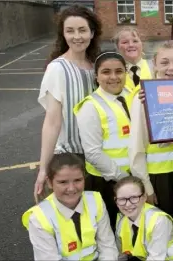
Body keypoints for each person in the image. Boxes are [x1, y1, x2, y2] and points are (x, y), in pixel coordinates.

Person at [33, 4, 102, 204]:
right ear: (63, 35)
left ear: (92, 33)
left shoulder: (97, 66)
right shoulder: (58, 69)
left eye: (82, 30)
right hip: (72, 156)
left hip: (97, 152)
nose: (76, 36)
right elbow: (52, 122)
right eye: (70, 31)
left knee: (96, 211)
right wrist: (44, 168)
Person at [73, 51, 132, 231]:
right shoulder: (90, 107)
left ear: (126, 72)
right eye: (106, 72)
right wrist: (124, 178)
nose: (113, 77)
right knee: (111, 230)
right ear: (96, 76)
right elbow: (92, 153)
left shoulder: (132, 95)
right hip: (108, 182)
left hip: (133, 177)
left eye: (119, 71)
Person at [128, 41, 173, 222]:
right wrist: (147, 187)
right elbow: (136, 147)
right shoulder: (144, 97)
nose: (171, 68)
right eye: (164, 62)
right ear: (154, 63)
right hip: (160, 179)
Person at [22, 153, 118, 260]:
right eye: (63, 182)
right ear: (49, 182)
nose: (71, 188)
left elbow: (107, 247)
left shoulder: (95, 200)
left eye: (78, 180)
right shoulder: (39, 217)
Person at [114, 176, 173, 260]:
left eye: (134, 198)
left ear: (144, 197)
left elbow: (155, 258)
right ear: (116, 201)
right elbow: (120, 257)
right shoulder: (121, 223)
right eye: (122, 199)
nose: (128, 204)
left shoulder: (158, 220)